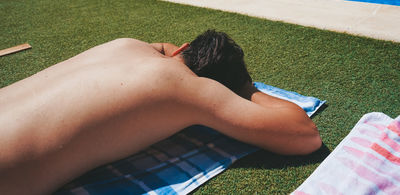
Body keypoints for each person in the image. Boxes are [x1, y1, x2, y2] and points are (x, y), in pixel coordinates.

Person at [0, 30, 322, 194]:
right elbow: (305, 135)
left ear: (182, 50)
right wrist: (246, 88)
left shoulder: (125, 44)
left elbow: (164, 48)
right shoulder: (190, 88)